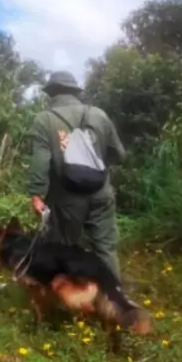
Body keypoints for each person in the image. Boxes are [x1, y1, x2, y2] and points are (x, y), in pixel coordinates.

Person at [27, 71, 126, 281]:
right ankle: (115, 298)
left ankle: (69, 299)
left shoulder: (44, 120)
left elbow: (41, 161)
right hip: (101, 192)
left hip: (66, 199)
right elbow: (119, 154)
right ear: (75, 92)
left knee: (62, 248)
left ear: (51, 93)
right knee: (105, 248)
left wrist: (37, 194)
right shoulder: (99, 115)